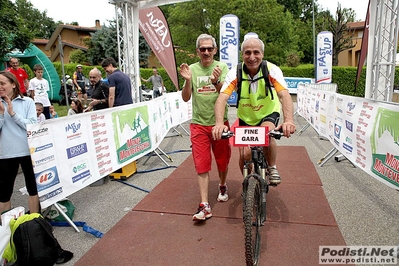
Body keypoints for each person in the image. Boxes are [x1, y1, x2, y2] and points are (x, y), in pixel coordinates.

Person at [212, 36, 296, 186]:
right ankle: (248, 182)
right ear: (242, 54)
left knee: (267, 134)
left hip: (268, 113)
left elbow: (284, 95)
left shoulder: (272, 70)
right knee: (244, 154)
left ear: (262, 54)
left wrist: (288, 120)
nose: (252, 57)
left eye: (256, 52)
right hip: (246, 117)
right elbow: (222, 98)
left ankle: (272, 166)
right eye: (247, 53)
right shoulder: (235, 72)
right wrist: (219, 123)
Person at [179, 34, 231, 221]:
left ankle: (223, 184)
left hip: (219, 123)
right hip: (198, 124)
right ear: (198, 51)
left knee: (223, 161)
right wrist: (187, 81)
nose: (206, 52)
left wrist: (216, 81)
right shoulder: (191, 69)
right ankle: (205, 205)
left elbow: (225, 94)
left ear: (215, 50)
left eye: (210, 48)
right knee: (201, 164)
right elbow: (186, 98)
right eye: (203, 49)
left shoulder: (222, 67)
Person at [0, 71, 40, 217]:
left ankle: (35, 223)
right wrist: (1, 115)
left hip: (27, 150)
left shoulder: (28, 102)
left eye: (2, 83)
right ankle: (5, 230)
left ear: (13, 84)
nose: (0, 87)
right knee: (4, 193)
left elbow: (31, 125)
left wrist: (13, 114)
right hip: (6, 153)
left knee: (33, 189)